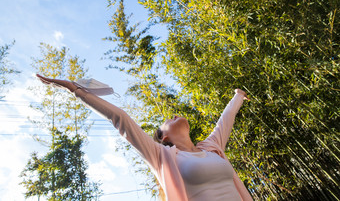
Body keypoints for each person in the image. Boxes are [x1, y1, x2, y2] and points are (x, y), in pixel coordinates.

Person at [36, 74, 253, 201]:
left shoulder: (212, 147)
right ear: (164, 136)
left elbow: (226, 119)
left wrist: (239, 95)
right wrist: (74, 89)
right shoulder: (161, 156)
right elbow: (120, 118)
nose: (175, 115)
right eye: (168, 119)